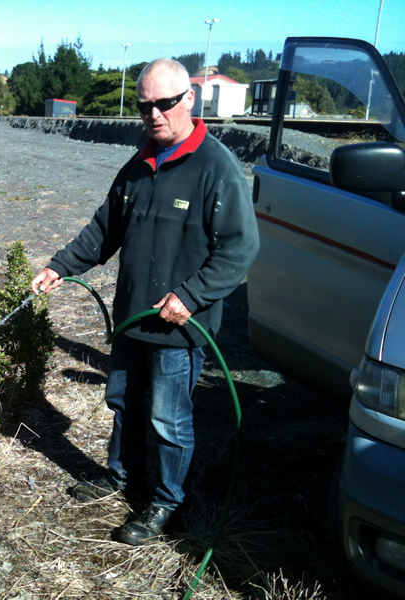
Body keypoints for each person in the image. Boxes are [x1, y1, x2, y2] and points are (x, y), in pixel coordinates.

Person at [30, 58, 260, 546]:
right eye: (144, 106)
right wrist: (60, 266)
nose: (154, 114)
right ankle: (122, 476)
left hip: (179, 328)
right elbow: (103, 229)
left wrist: (192, 296)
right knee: (123, 402)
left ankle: (167, 503)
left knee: (168, 418)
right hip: (132, 317)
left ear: (189, 100)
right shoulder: (138, 164)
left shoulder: (216, 168)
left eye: (165, 103)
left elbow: (240, 248)